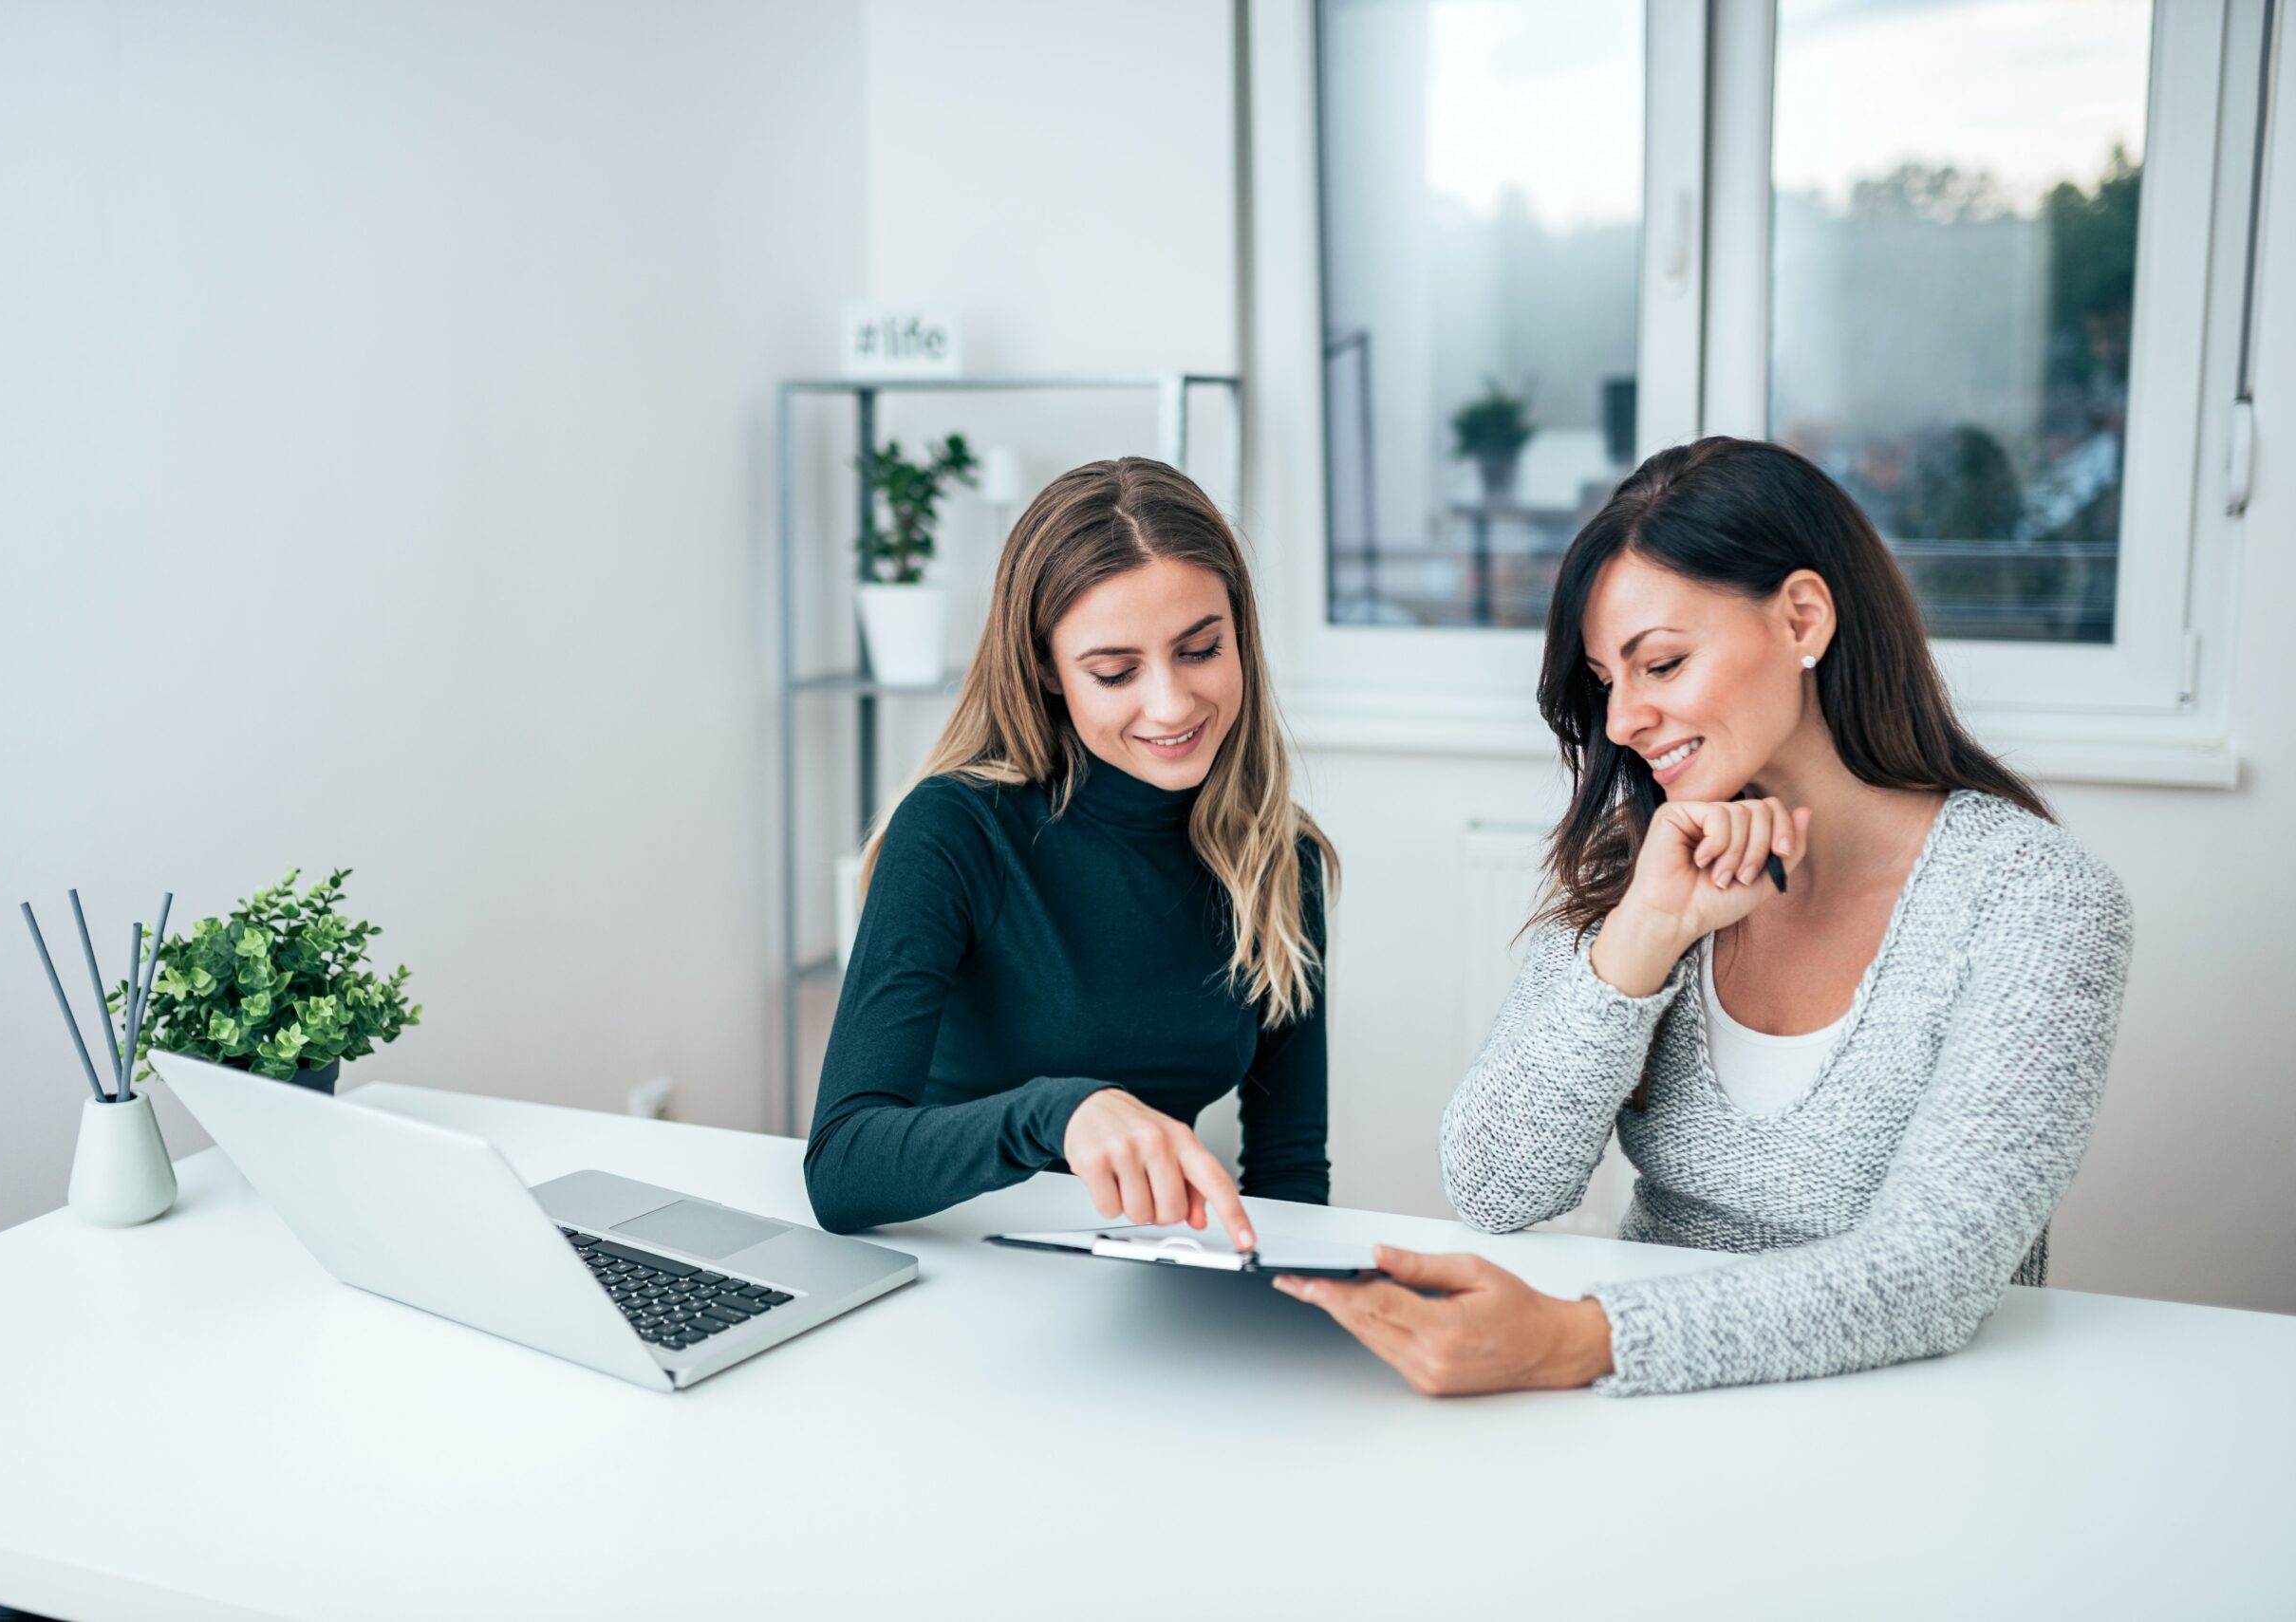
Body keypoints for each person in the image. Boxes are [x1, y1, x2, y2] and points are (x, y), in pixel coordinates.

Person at [1277, 436, 2132, 1397]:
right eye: (1605, 681)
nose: (1622, 721)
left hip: (1904, 1421)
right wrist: (1642, 935)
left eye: (1662, 662)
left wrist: (1581, 1338)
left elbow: (1934, 1271)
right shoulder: (1648, 863)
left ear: (1802, 616)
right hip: (1648, 1411)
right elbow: (1494, 1181)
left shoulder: (2034, 896)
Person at [802, 457, 1336, 1249]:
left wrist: (1278, 1308)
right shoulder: (954, 829)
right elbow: (841, 1167)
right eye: (1116, 671)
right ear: (1047, 670)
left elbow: (1290, 1169)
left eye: (1200, 650)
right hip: (952, 1265)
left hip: (1143, 1283)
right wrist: (1058, 1111)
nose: (1172, 703)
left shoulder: (1275, 854)